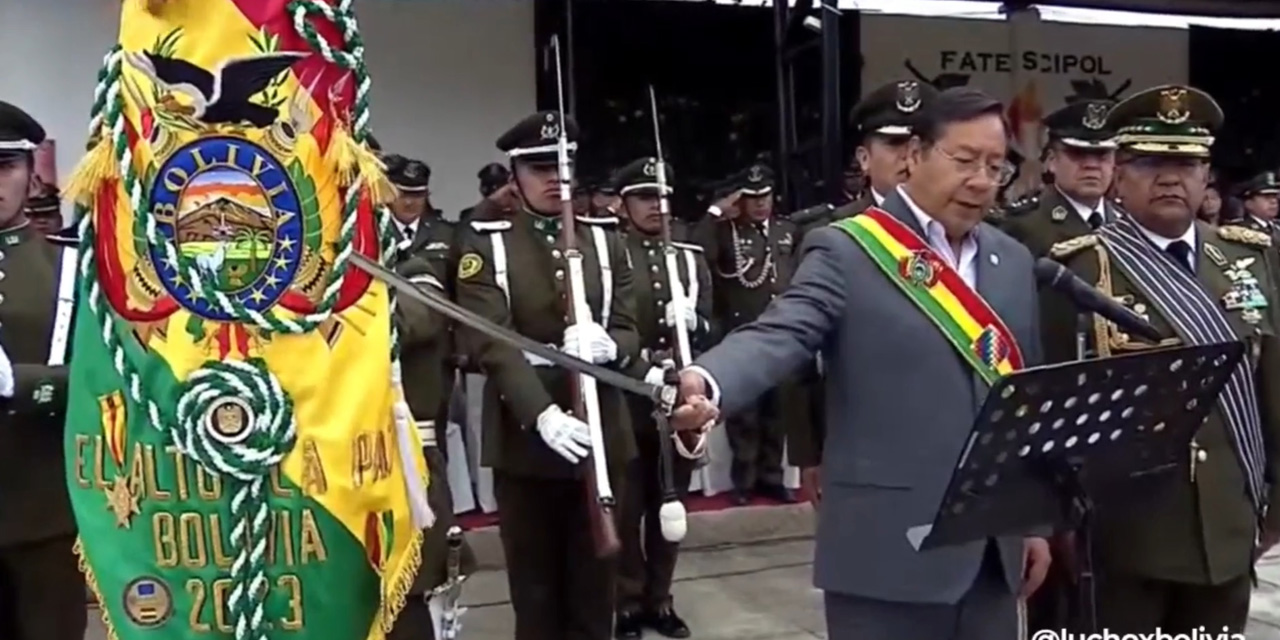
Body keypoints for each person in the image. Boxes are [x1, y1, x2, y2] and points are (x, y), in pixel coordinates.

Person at [673, 87, 1051, 640]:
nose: (980, 180)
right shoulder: (848, 249)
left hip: (993, 554)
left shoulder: (1011, 259)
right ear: (914, 157)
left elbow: (1027, 398)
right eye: (964, 160)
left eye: (996, 166)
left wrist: (1032, 521)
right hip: (886, 552)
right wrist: (710, 380)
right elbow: (783, 331)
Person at [1044, 85, 1280, 635]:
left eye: (1187, 163)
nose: (1171, 178)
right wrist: (1053, 521)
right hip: (1128, 532)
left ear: (1207, 177)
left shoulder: (1249, 259)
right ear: (1118, 176)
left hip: (1228, 517)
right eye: (1150, 163)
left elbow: (1273, 383)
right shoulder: (1078, 270)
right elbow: (1054, 402)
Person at [453, 111, 641, 640]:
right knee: (536, 601)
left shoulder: (606, 243)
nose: (556, 178)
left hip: (602, 439)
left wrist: (611, 346)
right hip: (526, 444)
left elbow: (629, 326)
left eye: (564, 166)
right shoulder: (486, 243)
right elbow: (493, 341)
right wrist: (542, 415)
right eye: (541, 168)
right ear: (515, 174)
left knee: (593, 597)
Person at [789, 80, 941, 498]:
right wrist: (808, 453)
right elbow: (801, 358)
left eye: (921, 143)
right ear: (864, 158)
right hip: (859, 442)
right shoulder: (831, 235)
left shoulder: (971, 234)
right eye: (893, 145)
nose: (909, 157)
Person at [610, 157, 716, 640]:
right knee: (630, 504)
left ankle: (661, 598)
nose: (656, 207)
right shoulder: (612, 253)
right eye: (644, 198)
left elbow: (715, 327)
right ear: (624, 204)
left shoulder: (689, 257)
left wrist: (696, 322)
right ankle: (628, 601)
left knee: (671, 504)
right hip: (629, 394)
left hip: (679, 394)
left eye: (662, 197)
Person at [0, 101, 86, 640]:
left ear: (33, 175)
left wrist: (19, 383)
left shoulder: (72, 268)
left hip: (43, 518)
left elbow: (111, 381)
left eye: (4, 166)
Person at [694, 162, 801, 505]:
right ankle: (745, 480)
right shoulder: (726, 232)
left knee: (777, 412)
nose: (760, 204)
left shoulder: (785, 230)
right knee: (746, 414)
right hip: (743, 333)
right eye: (752, 198)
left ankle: (772, 477)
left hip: (781, 333)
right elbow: (697, 251)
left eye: (765, 196)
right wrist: (715, 213)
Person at [387, 250, 477, 640]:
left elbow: (412, 321)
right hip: (342, 466)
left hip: (411, 465)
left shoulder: (414, 269)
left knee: (414, 594)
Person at [1000, 98, 1119, 258]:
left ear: (1114, 162)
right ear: (1051, 161)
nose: (1091, 165)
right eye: (1077, 154)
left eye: (1102, 155)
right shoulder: (1024, 225)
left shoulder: (1129, 223)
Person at [1228, 170, 1280, 241]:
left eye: (1274, 196)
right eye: (1266, 197)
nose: (1273, 201)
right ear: (1249, 203)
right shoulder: (1240, 230)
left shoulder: (1277, 227)